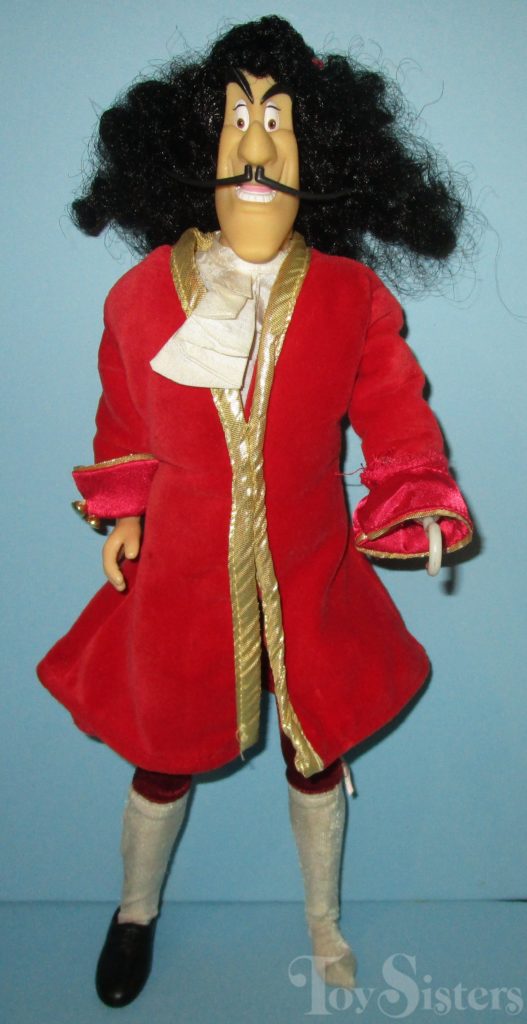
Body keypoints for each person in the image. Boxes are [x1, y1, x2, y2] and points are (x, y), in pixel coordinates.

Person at [37, 16, 473, 1007]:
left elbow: (393, 410)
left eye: (277, 122)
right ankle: (134, 911)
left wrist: (413, 496)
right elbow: (123, 417)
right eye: (237, 120)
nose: (256, 147)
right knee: (160, 759)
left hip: (308, 577)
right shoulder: (142, 297)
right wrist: (124, 511)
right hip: (183, 580)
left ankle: (321, 918)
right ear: (199, 145)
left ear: (319, 152)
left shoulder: (349, 297)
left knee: (314, 754)